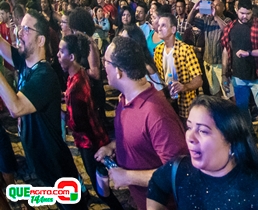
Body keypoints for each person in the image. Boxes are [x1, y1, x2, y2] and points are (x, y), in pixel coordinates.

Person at [147, 95, 258, 209]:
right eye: (189, 127)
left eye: (203, 131)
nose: (190, 137)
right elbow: (157, 184)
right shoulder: (179, 170)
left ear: (231, 141)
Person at [0, 11, 85, 209]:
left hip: (56, 165)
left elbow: (16, 107)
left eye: (26, 29)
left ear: (40, 40)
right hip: (41, 162)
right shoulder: (25, 63)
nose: (19, 33)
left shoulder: (45, 75)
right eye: (20, 28)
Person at [95, 35, 188, 209]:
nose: (103, 66)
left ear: (118, 71)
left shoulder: (156, 114)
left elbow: (177, 173)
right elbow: (138, 138)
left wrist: (127, 177)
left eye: (105, 61)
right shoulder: (124, 99)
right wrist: (114, 146)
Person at [58, 33, 125, 210]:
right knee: (102, 184)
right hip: (96, 137)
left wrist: (63, 114)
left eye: (61, 51)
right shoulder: (79, 73)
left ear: (71, 57)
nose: (57, 55)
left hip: (90, 143)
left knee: (101, 188)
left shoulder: (76, 87)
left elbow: (77, 124)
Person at [221, 0, 258, 145]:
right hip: (238, 76)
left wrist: (249, 53)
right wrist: (224, 74)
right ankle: (249, 134)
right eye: (242, 13)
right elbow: (226, 51)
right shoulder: (230, 27)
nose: (245, 16)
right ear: (236, 10)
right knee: (242, 109)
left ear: (252, 11)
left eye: (248, 13)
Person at [153, 13, 203, 121]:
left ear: (173, 29)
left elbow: (198, 81)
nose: (159, 28)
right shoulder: (158, 50)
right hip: (166, 99)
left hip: (184, 101)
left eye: (163, 25)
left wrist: (184, 87)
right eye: (159, 25)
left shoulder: (186, 50)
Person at [188, 0, 232, 97]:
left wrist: (215, 16)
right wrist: (194, 9)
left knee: (228, 93)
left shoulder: (227, 20)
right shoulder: (207, 20)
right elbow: (190, 21)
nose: (214, 8)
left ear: (223, 7)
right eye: (212, 6)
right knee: (214, 92)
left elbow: (227, 30)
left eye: (217, 6)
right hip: (208, 62)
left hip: (221, 63)